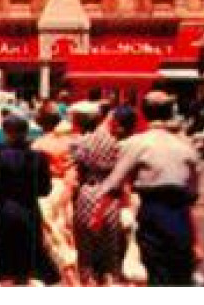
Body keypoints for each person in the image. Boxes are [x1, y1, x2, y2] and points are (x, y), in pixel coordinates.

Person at [97, 91, 201, 288]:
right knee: (180, 273)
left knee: (156, 270)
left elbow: (114, 182)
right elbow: (193, 193)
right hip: (180, 215)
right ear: (170, 112)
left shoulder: (136, 143)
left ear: (144, 112)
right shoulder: (187, 144)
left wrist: (98, 211)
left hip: (153, 210)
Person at [0, 113, 59, 286]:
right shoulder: (38, 158)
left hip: (5, 212)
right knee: (26, 263)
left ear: (6, 132)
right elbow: (44, 190)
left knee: (5, 264)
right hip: (29, 211)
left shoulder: (0, 156)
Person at [72, 104, 136, 285]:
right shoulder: (122, 146)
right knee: (111, 259)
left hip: (87, 196)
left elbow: (76, 173)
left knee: (86, 257)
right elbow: (126, 181)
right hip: (111, 201)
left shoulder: (84, 141)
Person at [31, 103, 80, 285]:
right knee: (69, 234)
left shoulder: (40, 145)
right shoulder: (73, 141)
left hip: (50, 191)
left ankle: (71, 278)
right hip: (71, 188)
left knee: (55, 235)